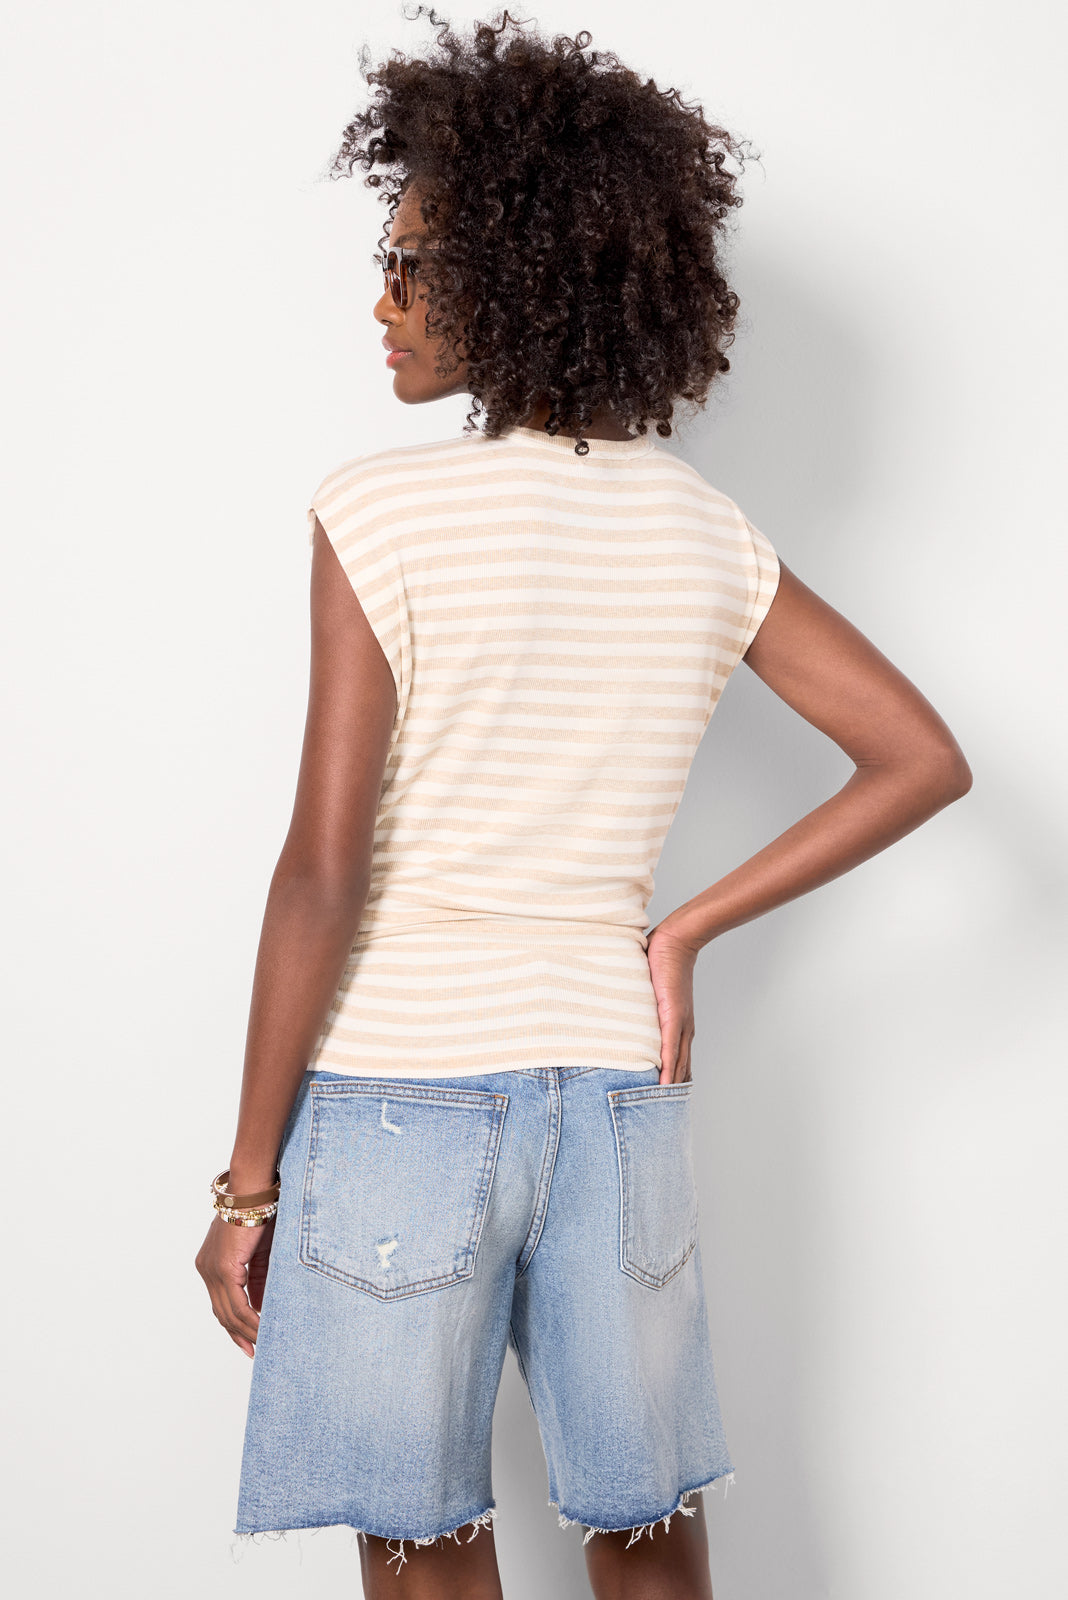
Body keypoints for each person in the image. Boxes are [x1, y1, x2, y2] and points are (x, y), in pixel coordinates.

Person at [195, 12, 972, 1598]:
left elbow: (320, 874)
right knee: (649, 1531)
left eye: (412, 266)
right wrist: (680, 931)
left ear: (510, 276)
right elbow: (919, 754)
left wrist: (246, 1183)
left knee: (422, 1549)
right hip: (616, 1093)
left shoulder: (378, 511)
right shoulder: (701, 529)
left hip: (405, 1088)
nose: (382, 300)